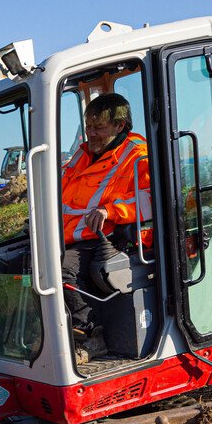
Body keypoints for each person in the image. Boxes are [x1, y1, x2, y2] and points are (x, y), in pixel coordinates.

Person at [60, 93, 149, 362]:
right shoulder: (83, 154)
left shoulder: (138, 156)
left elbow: (151, 199)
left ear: (119, 126)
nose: (92, 134)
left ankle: (91, 336)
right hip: (68, 233)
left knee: (63, 271)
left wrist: (110, 211)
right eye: (88, 127)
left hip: (106, 236)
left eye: (99, 127)